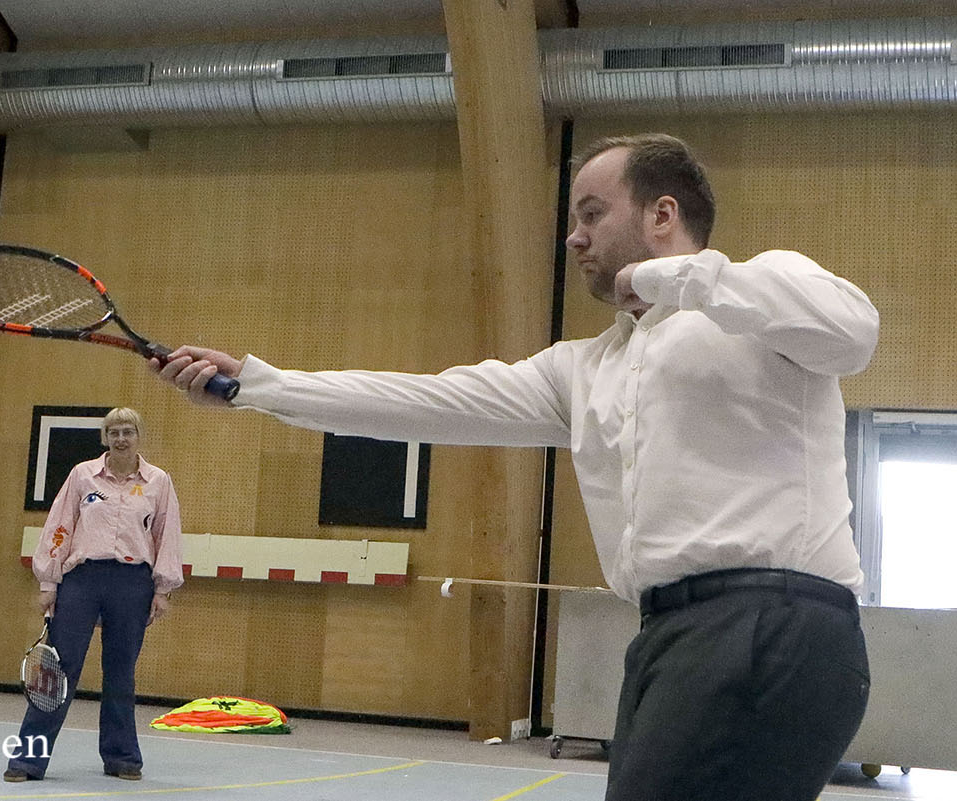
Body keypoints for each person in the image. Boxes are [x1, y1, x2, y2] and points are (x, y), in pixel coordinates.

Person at [153, 133, 878, 801]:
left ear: (663, 214)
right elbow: (426, 401)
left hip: (774, 623)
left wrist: (668, 277)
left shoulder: (762, 290)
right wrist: (263, 386)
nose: (574, 236)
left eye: (593, 213)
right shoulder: (582, 369)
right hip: (667, 636)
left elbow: (853, 330)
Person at [3, 407, 183, 783]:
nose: (121, 438)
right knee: (59, 670)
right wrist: (49, 583)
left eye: (128, 431)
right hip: (81, 581)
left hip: (132, 583)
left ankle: (122, 758)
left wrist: (162, 589)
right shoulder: (82, 475)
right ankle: (27, 760)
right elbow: (59, 526)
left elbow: (167, 534)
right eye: (113, 432)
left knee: (121, 672)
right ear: (104, 437)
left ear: (139, 436)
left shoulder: (158, 481)